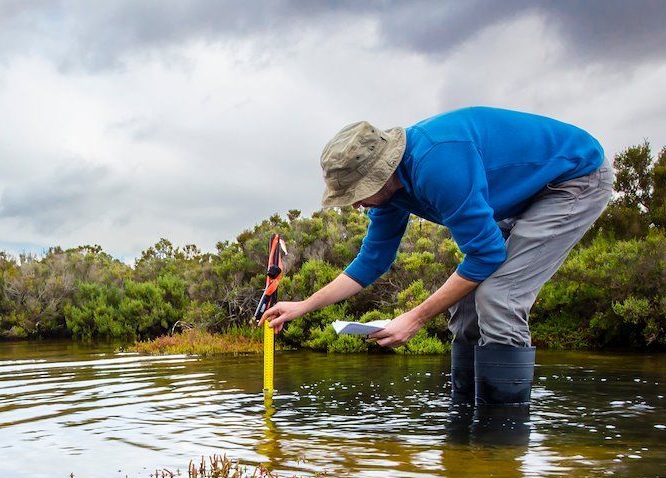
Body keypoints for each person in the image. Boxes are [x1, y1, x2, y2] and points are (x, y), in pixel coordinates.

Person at [260, 107, 613, 408]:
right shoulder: (390, 194)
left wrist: (414, 319)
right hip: (522, 194)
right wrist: (303, 305)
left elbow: (486, 255)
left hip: (573, 180)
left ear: (383, 173)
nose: (356, 202)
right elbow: (373, 260)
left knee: (498, 297)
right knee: (465, 303)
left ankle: (500, 442)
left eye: (360, 192)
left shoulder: (438, 165)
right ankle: (464, 424)